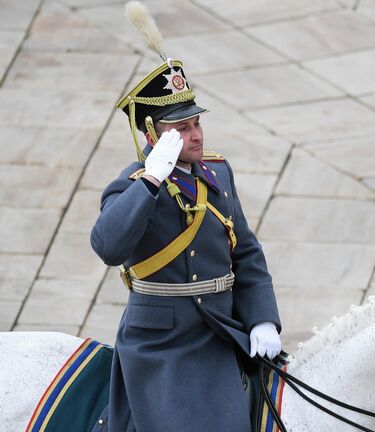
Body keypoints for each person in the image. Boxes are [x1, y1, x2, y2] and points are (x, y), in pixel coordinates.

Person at [89, 6, 281, 430]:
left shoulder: (218, 172)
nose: (195, 135)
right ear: (153, 134)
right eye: (181, 128)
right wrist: (151, 181)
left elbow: (245, 252)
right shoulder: (132, 186)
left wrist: (263, 316)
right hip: (162, 345)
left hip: (221, 329)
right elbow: (107, 245)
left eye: (196, 123)